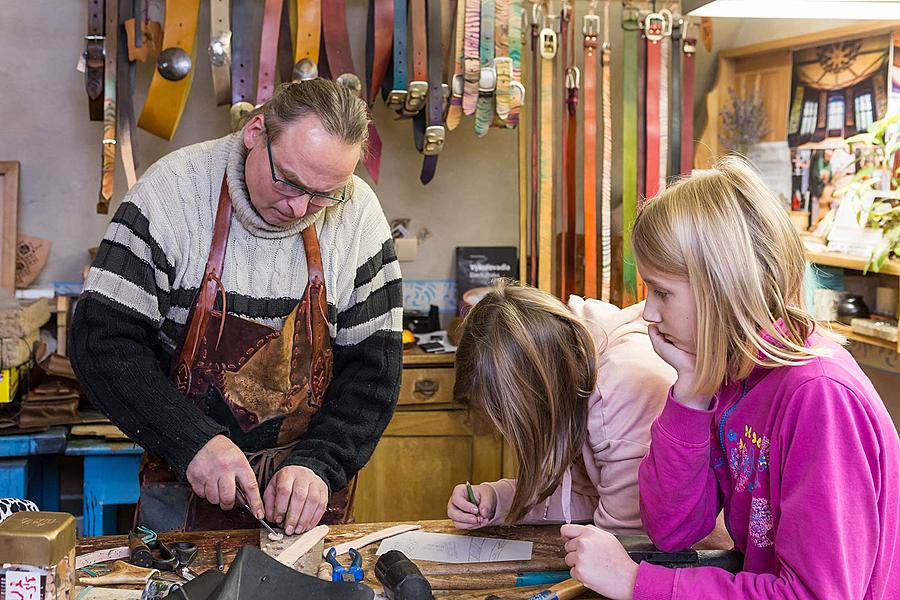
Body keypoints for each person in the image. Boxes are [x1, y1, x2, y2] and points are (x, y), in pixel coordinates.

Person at [70, 79, 403, 535]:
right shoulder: (172, 194)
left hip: (303, 503)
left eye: (325, 194)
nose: (301, 207)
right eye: (289, 181)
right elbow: (101, 344)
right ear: (255, 133)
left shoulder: (359, 216)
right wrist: (192, 441)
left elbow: (373, 374)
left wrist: (321, 463)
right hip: (183, 486)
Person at [560, 156, 900, 600]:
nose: (649, 313)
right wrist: (689, 393)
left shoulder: (819, 396)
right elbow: (673, 529)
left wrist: (636, 582)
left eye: (661, 291)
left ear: (724, 285)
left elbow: (819, 594)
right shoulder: (731, 375)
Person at [446, 280, 688, 535]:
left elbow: (624, 537)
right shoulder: (573, 357)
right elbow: (593, 496)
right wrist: (498, 499)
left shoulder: (623, 389)